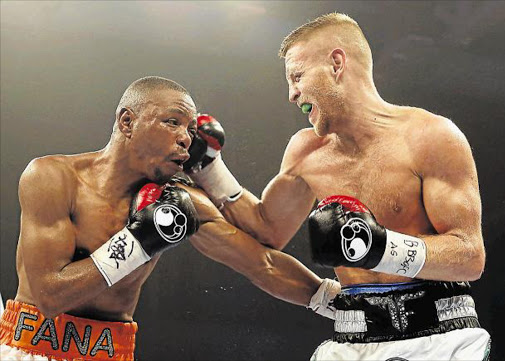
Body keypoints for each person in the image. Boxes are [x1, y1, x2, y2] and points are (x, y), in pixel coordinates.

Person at [186, 13, 491, 361]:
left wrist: (379, 247)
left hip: (439, 339)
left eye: (297, 77)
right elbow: (266, 230)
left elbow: (469, 257)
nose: (291, 94)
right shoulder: (307, 150)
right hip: (353, 340)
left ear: (336, 63)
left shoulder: (430, 137)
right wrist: (208, 168)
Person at [0, 76, 340, 361]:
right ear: (127, 122)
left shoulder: (181, 202)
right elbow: (49, 297)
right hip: (28, 349)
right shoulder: (54, 177)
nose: (185, 137)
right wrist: (138, 241)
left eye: (191, 129)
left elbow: (263, 263)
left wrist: (341, 303)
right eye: (172, 121)